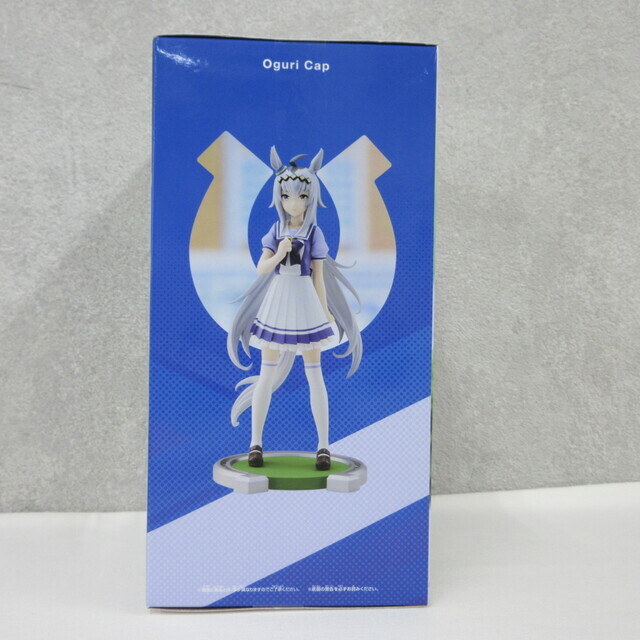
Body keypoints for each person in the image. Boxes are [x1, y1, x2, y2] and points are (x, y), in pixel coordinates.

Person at [227, 146, 362, 471]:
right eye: (286, 196)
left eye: (300, 197)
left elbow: (318, 275)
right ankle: (255, 443)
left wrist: (324, 310)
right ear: (279, 198)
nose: (293, 203)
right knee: (267, 375)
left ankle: (323, 446)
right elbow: (262, 268)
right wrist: (278, 253)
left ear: (310, 198)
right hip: (278, 299)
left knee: (315, 375)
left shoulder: (314, 232)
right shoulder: (275, 231)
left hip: (304, 301)